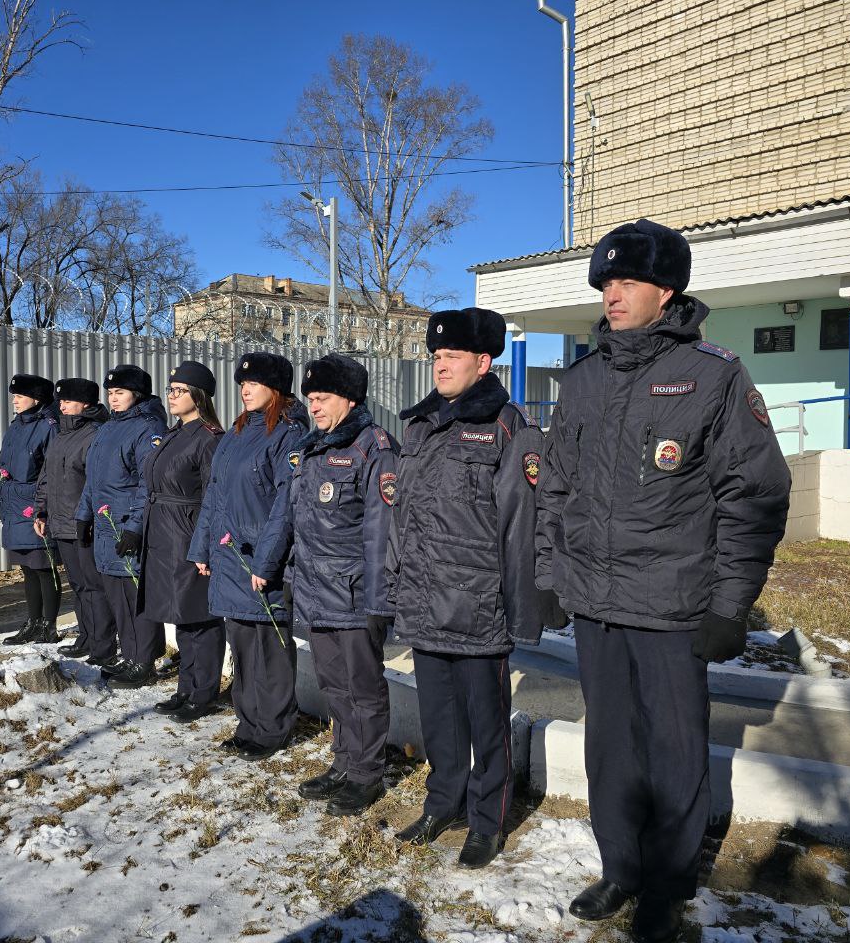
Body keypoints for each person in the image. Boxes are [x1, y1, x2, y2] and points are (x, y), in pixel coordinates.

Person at [535, 219, 791, 943]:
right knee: (610, 742)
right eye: (606, 283)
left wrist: (729, 603)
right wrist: (550, 576)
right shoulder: (582, 380)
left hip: (673, 602)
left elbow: (757, 494)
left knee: (675, 748)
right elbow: (555, 488)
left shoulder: (714, 375)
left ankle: (668, 884)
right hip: (596, 603)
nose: (612, 294)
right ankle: (621, 866)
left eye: (627, 282)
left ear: (666, 290)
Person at [387, 307, 546, 870]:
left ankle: (486, 820)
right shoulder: (421, 426)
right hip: (426, 602)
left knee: (486, 723)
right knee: (439, 720)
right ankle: (442, 803)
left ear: (484, 360)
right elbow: (402, 516)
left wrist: (520, 615)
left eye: (451, 355)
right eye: (435, 356)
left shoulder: (508, 426)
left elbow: (519, 527)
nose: (440, 365)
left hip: (479, 607)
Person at [286, 353, 398, 817]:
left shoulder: (374, 447)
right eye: (310, 398)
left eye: (323, 398)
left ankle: (368, 772)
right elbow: (300, 521)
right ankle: (344, 760)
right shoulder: (313, 448)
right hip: (316, 592)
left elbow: (382, 532)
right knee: (333, 684)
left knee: (363, 687)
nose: (313, 406)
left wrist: (379, 601)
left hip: (353, 595)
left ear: (350, 399)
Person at [189, 352, 308, 761]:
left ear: (276, 388)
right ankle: (248, 722)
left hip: (259, 560)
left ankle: (273, 727)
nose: (245, 389)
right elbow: (215, 495)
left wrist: (266, 563)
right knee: (241, 645)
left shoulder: (288, 434)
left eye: (254, 383)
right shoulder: (238, 432)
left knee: (268, 646)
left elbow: (285, 506)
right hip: (228, 558)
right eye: (242, 383)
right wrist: (201, 547)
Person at [137, 361, 224, 723]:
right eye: (169, 389)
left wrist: (203, 544)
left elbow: (213, 496)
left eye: (179, 390)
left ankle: (203, 692)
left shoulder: (209, 437)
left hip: (188, 532)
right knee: (179, 617)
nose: (171, 395)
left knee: (197, 616)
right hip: (163, 532)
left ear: (199, 396)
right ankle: (185, 688)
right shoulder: (174, 433)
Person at [73, 365, 167, 685]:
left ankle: (144, 660)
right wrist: (83, 514)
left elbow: (149, 483)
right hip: (105, 523)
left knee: (133, 594)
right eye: (110, 393)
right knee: (117, 596)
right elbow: (94, 479)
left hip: (126, 525)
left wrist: (135, 527)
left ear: (136, 395)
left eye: (120, 393)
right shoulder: (108, 428)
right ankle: (130, 654)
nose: (113, 399)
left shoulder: (147, 427)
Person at [35, 378, 109, 664]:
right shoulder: (61, 435)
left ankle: (102, 643)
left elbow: (97, 482)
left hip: (84, 523)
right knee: (78, 585)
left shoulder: (94, 434)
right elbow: (46, 477)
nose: (61, 404)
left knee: (93, 586)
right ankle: (86, 637)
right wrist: (41, 510)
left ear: (86, 404)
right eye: (60, 401)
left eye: (67, 400)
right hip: (60, 522)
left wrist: (88, 517)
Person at [0, 374, 62, 646]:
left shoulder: (49, 426)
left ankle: (49, 624)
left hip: (36, 501)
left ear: (36, 398)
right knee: (26, 566)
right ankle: (33, 621)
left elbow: (52, 470)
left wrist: (43, 507)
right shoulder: (16, 425)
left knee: (43, 565)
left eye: (19, 396)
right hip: (14, 501)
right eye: (14, 395)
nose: (14, 400)